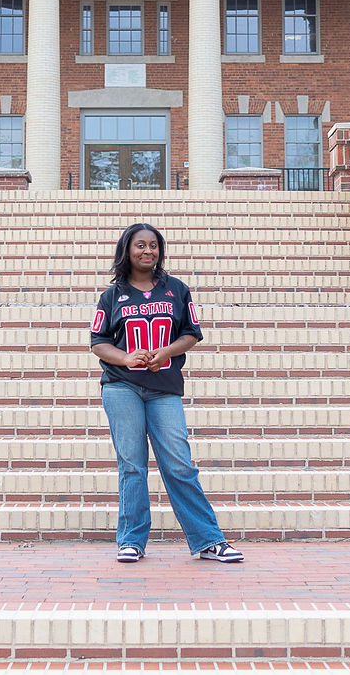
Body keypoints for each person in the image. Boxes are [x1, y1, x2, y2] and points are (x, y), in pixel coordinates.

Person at [89, 221, 244, 564]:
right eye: (140, 245)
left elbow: (191, 333)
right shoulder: (111, 295)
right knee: (132, 465)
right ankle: (131, 541)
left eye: (153, 245)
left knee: (179, 464)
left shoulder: (176, 289)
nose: (148, 251)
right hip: (121, 386)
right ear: (127, 250)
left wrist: (167, 352)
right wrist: (128, 358)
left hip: (164, 388)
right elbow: (98, 343)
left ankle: (208, 540)